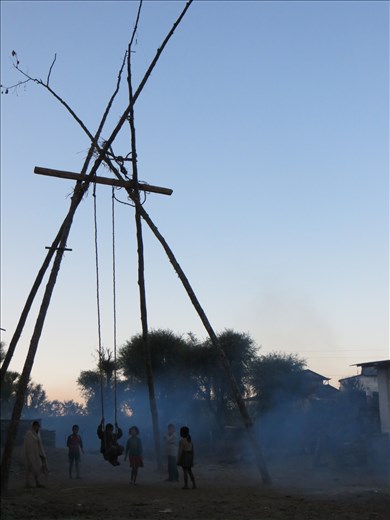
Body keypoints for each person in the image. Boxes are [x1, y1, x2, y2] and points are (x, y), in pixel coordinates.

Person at [21, 420, 49, 488]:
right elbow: (27, 445)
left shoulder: (37, 433)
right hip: (30, 453)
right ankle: (27, 483)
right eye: (36, 426)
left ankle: (37, 483)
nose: (37, 427)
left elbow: (39, 444)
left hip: (37, 453)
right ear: (33, 426)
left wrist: (41, 453)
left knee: (37, 467)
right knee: (29, 468)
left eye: (38, 426)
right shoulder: (29, 434)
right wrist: (30, 453)